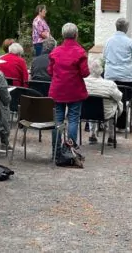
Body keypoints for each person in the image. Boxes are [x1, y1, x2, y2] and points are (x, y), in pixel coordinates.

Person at [48, 23, 89, 161]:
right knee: (73, 119)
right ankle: (69, 149)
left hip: (58, 90)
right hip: (74, 91)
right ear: (76, 35)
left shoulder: (55, 51)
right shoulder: (80, 52)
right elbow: (85, 73)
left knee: (57, 120)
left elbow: (49, 71)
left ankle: (55, 150)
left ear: (62, 35)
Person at [83, 57, 124, 147]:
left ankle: (92, 134)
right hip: (106, 113)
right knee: (114, 105)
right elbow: (119, 96)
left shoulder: (82, 83)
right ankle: (111, 137)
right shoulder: (109, 84)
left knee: (91, 105)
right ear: (101, 70)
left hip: (85, 113)